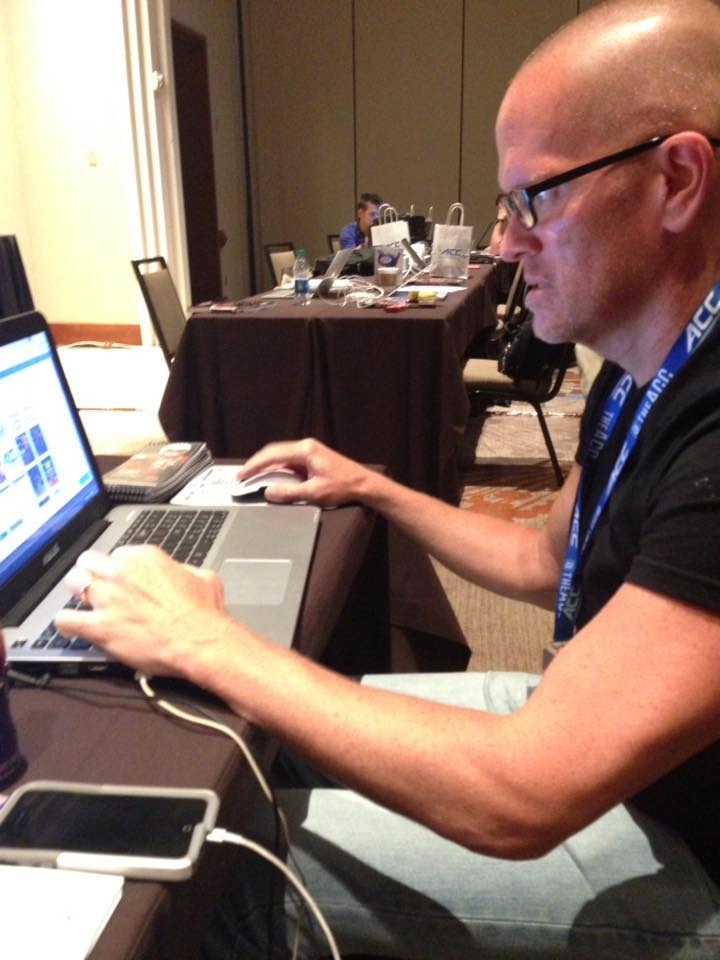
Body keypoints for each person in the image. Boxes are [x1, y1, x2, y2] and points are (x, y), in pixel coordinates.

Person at [56, 0, 720, 955]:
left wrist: (206, 640)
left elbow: (525, 793)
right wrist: (372, 487)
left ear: (678, 180)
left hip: (680, 850)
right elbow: (546, 563)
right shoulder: (640, 364)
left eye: (533, 198)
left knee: (217, 865)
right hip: (602, 744)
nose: (505, 243)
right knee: (271, 738)